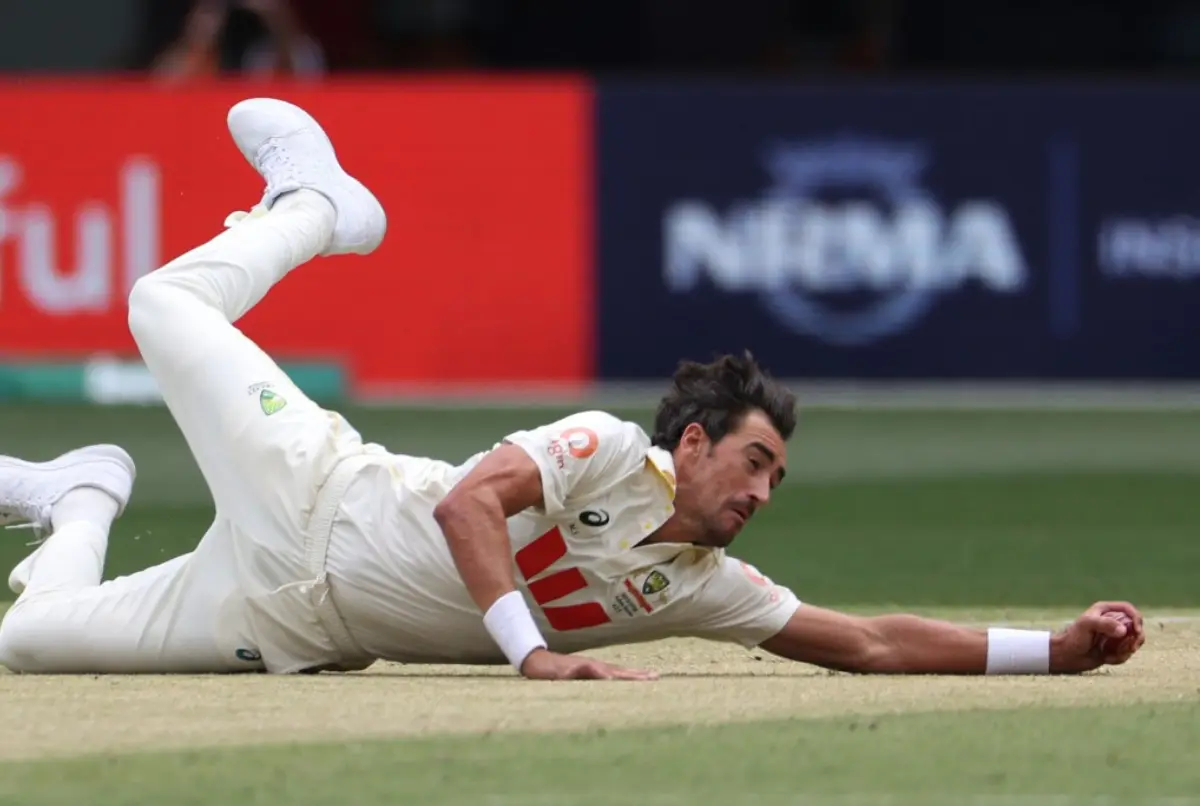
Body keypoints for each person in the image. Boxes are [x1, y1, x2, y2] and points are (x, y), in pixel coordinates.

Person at [0, 98, 1145, 680]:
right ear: (691, 444)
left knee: (26, 645)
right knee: (162, 303)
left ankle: (83, 496)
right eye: (753, 461)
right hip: (309, 490)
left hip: (284, 621)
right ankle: (318, 207)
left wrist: (1053, 649)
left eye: (777, 479)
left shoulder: (708, 587)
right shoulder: (600, 443)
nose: (762, 492)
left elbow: (871, 643)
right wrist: (530, 654)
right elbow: (466, 506)